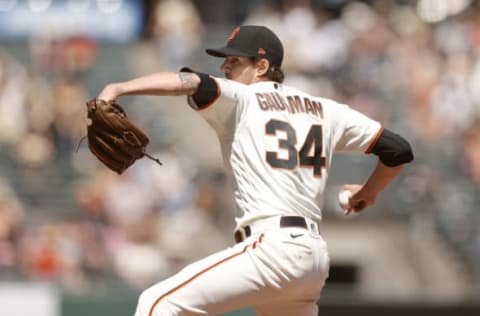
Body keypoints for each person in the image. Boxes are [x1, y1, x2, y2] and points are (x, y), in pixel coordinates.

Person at [97, 25, 413, 316]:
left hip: (272, 248)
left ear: (261, 67)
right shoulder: (326, 110)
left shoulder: (244, 97)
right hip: (312, 259)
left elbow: (191, 82)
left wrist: (119, 87)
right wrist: (367, 193)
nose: (224, 67)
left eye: (233, 62)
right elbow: (397, 149)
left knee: (156, 304)